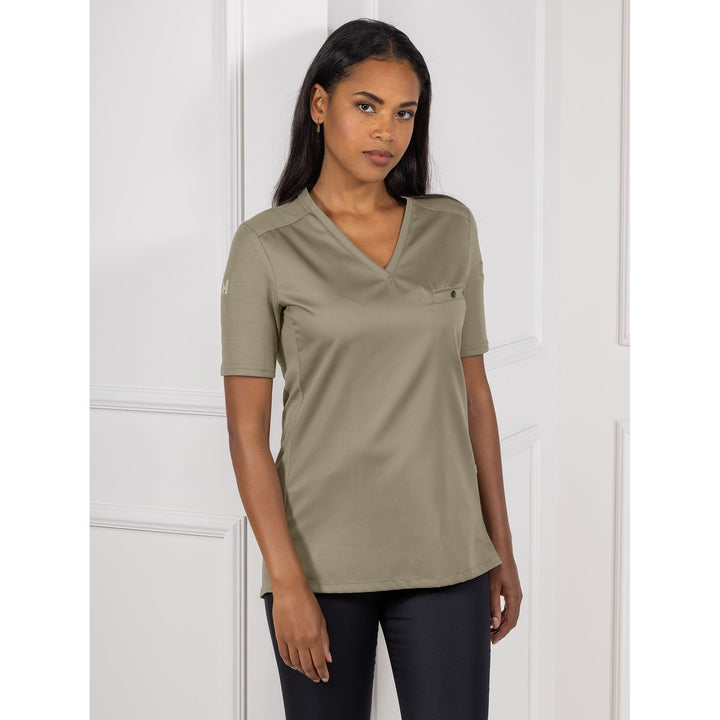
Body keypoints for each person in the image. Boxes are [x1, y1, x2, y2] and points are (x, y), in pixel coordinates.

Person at [220, 17, 522, 720]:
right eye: (367, 105)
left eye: (405, 112)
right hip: (318, 562)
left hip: (446, 554)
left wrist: (499, 548)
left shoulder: (451, 230)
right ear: (320, 104)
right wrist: (286, 580)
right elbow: (245, 431)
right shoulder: (265, 246)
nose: (387, 130)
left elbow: (475, 398)